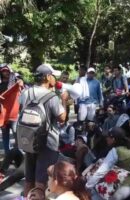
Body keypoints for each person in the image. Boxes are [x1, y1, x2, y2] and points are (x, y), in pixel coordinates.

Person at [19, 63, 67, 196]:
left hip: (28, 140)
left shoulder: (25, 93)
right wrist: (64, 100)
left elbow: (21, 110)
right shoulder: (52, 97)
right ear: (46, 77)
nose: (55, 79)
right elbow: (62, 118)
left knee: (29, 179)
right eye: (52, 76)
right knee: (42, 182)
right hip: (47, 143)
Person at [86, 128, 130, 200]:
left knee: (92, 195)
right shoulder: (128, 148)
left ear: (113, 139)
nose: (106, 139)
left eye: (108, 137)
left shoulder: (115, 151)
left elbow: (101, 172)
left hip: (119, 189)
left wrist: (88, 186)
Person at [0, 64, 22, 154]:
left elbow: (21, 93)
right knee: (5, 137)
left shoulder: (15, 83)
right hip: (2, 114)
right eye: (4, 71)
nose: (6, 73)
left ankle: (18, 155)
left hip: (14, 114)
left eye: (7, 71)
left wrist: (20, 84)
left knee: (17, 135)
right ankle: (8, 156)